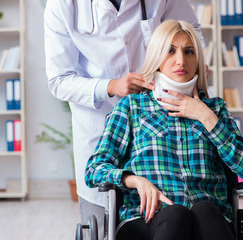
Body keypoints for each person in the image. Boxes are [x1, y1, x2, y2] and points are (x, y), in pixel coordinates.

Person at [85, 20, 243, 240]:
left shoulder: (215, 110)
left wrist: (205, 116)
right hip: (147, 220)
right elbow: (94, 169)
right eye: (170, 51)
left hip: (210, 221)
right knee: (176, 213)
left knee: (204, 210)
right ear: (157, 58)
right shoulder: (132, 108)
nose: (181, 60)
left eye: (189, 52)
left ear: (198, 60)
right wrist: (133, 180)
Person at [44, 1, 204, 238]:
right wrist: (112, 86)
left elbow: (190, 34)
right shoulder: (63, 4)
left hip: (159, 120)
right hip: (98, 125)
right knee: (102, 224)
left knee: (182, 213)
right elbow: (58, 80)